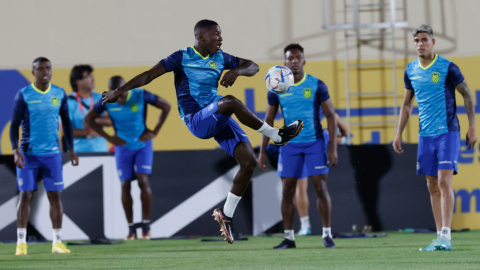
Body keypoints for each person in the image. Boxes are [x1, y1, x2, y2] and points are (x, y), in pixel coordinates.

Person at [101, 19, 303, 244]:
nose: (220, 38)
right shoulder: (181, 57)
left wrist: (236, 71)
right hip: (196, 119)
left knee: (248, 163)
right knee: (230, 101)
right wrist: (118, 91)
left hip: (216, 113)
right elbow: (148, 76)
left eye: (221, 34)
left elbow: (253, 66)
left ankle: (225, 215)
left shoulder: (221, 57)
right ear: (201, 37)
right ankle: (276, 135)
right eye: (216, 34)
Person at [393, 24, 477, 251]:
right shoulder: (410, 70)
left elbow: (467, 94)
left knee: (444, 181)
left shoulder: (447, 67)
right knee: (431, 185)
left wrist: (472, 126)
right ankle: (440, 236)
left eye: (424, 40)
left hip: (448, 132)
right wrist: (398, 133)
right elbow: (407, 104)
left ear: (432, 42)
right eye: (416, 41)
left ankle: (447, 237)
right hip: (425, 135)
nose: (420, 44)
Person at [258, 43, 338, 249]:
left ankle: (327, 235)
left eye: (297, 57)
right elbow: (267, 120)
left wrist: (333, 147)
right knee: (287, 191)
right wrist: (262, 151)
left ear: (303, 60)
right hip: (290, 146)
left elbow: (330, 115)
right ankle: (289, 238)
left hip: (315, 143)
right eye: (290, 58)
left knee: (320, 188)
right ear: (284, 63)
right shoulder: (277, 88)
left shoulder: (316, 85)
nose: (294, 61)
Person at [85, 76, 170, 240]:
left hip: (142, 145)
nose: (119, 98)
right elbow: (89, 119)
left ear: (127, 89)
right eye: (115, 94)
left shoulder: (140, 95)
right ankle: (131, 230)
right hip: (122, 147)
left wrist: (155, 131)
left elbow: (166, 106)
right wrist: (109, 138)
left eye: (121, 93)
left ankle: (146, 227)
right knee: (125, 185)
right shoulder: (107, 100)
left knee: (143, 180)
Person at [10, 57, 79, 255]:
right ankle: (21, 243)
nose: (45, 72)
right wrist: (16, 150)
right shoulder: (24, 95)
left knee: (55, 197)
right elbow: (14, 126)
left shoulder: (59, 93)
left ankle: (57, 242)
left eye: (47, 68)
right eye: (40, 69)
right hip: (28, 154)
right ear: (33, 72)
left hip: (53, 155)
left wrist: (71, 149)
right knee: (26, 195)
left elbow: (66, 123)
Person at [296, 115, 348, 236]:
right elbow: (343, 133)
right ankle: (323, 229)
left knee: (303, 189)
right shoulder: (324, 132)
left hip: (301, 142)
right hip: (311, 140)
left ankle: (305, 226)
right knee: (319, 189)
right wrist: (342, 130)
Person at [68, 65, 110, 153]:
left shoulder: (100, 98)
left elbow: (111, 121)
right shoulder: (68, 102)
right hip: (78, 153)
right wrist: (89, 132)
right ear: (78, 81)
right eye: (89, 77)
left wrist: (94, 120)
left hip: (101, 151)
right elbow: (66, 131)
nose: (93, 79)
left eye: (92, 76)